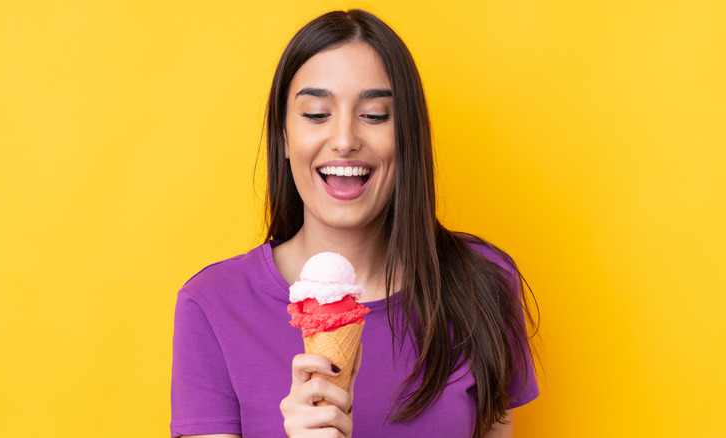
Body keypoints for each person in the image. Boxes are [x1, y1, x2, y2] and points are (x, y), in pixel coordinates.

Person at [171, 9, 539, 438]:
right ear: (284, 137)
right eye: (315, 114)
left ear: (408, 137)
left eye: (376, 115)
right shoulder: (214, 305)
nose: (345, 140)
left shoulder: (484, 284)